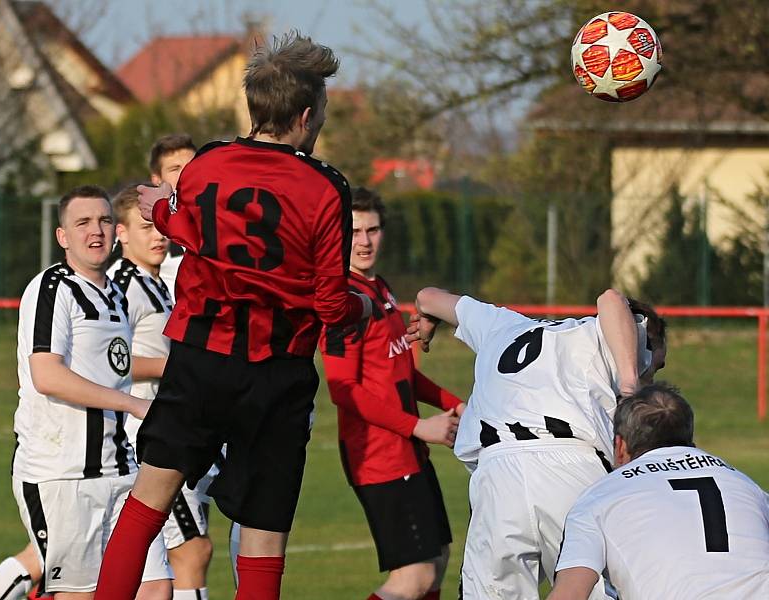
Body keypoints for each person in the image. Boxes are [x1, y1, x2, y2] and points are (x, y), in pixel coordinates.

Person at [95, 32, 372, 600]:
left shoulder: (206, 166)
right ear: (304, 114)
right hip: (277, 371)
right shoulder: (326, 189)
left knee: (146, 506)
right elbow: (328, 303)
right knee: (264, 539)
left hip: (200, 361)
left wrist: (161, 210)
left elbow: (187, 227)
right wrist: (361, 306)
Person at [407, 288, 666, 599]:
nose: (651, 372)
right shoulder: (608, 334)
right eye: (657, 365)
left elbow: (427, 296)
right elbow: (610, 299)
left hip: (497, 478)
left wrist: (427, 317)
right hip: (571, 468)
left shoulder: (501, 324)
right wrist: (630, 384)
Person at [12, 185, 171, 599]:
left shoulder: (115, 294)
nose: (95, 231)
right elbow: (47, 375)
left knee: (156, 589)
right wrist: (134, 403)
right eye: (82, 223)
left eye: (102, 220)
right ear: (63, 236)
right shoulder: (52, 288)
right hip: (62, 475)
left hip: (120, 469)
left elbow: (119, 366)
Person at [319, 188, 463, 600]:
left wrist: (454, 403)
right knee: (412, 578)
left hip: (408, 450)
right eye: (354, 231)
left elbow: (402, 374)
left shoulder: (379, 289)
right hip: (380, 457)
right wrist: (418, 426)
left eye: (373, 229)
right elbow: (343, 390)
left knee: (436, 563)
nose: (364, 240)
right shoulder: (342, 301)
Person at [548, 383, 769, 600]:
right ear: (688, 437)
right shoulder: (748, 487)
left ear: (621, 445)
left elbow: (571, 593)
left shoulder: (599, 496)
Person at [108, 185, 214, 600]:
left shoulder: (155, 283)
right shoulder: (123, 285)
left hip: (173, 423)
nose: (158, 236)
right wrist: (180, 368)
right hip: (145, 434)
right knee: (191, 550)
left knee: (161, 576)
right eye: (145, 227)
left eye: (159, 227)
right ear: (121, 233)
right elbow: (111, 362)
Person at [147, 134, 197, 296]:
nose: (186, 173)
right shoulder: (145, 228)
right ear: (157, 180)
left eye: (192, 165)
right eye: (175, 169)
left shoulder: (222, 216)